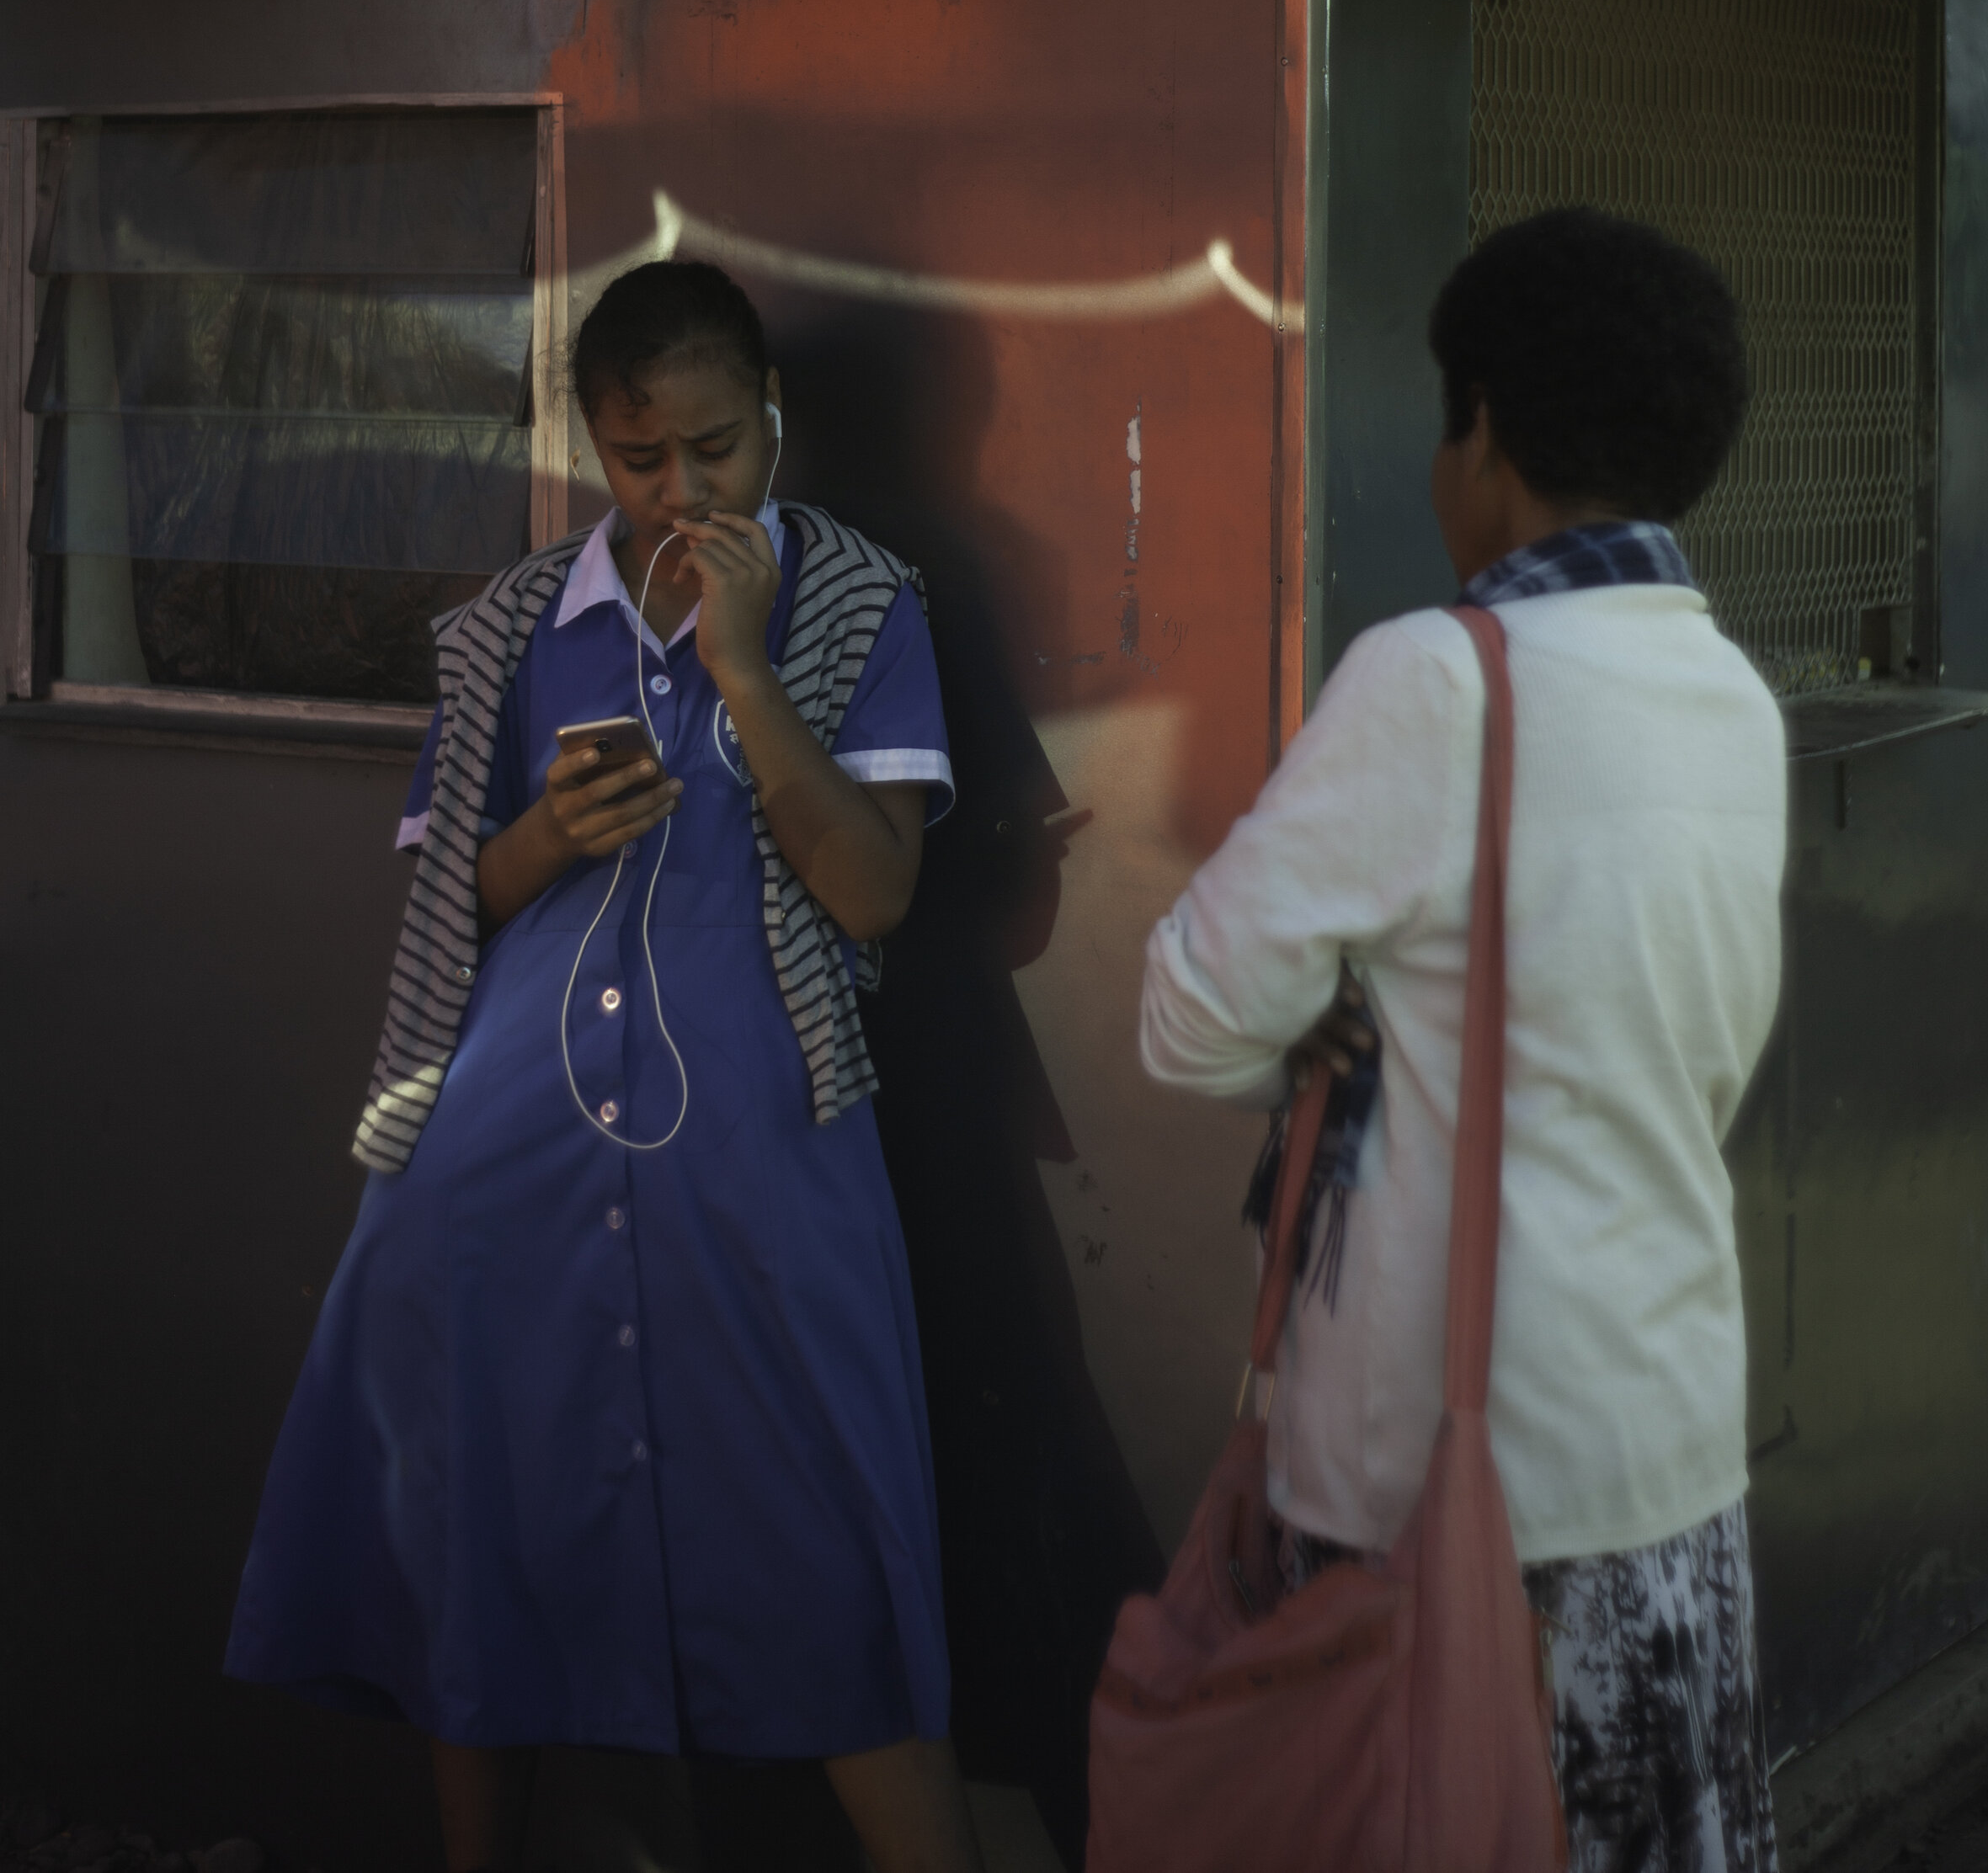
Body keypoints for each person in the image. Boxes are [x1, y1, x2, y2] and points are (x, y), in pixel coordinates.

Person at [227, 259, 984, 1873]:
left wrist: (743, 670)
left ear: (770, 422)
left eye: (716, 448)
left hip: (762, 1167)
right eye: (643, 460)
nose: (682, 490)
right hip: (499, 1165)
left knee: (832, 1551)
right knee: (479, 1542)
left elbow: (875, 891)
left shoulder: (858, 600)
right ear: (593, 445)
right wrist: (547, 834)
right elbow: (460, 896)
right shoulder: (518, 625)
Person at [1138, 207, 1787, 1873]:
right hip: (1665, 1439)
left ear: (1481, 430)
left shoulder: (1442, 677)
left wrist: (1330, 1027)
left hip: (1448, 1475)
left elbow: (1189, 1020)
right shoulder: (1725, 694)